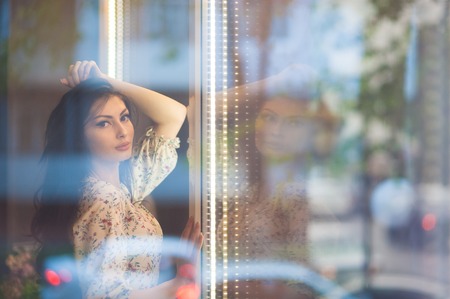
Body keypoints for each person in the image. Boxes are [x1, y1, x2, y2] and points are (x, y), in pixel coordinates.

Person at [31, 60, 203, 299]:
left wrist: (105, 81)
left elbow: (174, 114)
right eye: (103, 123)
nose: (122, 131)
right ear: (78, 137)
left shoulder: (125, 186)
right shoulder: (104, 198)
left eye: (124, 117)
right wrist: (180, 284)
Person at [216, 65, 332, 298]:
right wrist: (271, 83)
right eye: (268, 117)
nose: (274, 130)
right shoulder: (253, 190)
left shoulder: (298, 200)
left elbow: (300, 287)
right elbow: (205, 108)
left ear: (311, 136)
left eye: (293, 123)